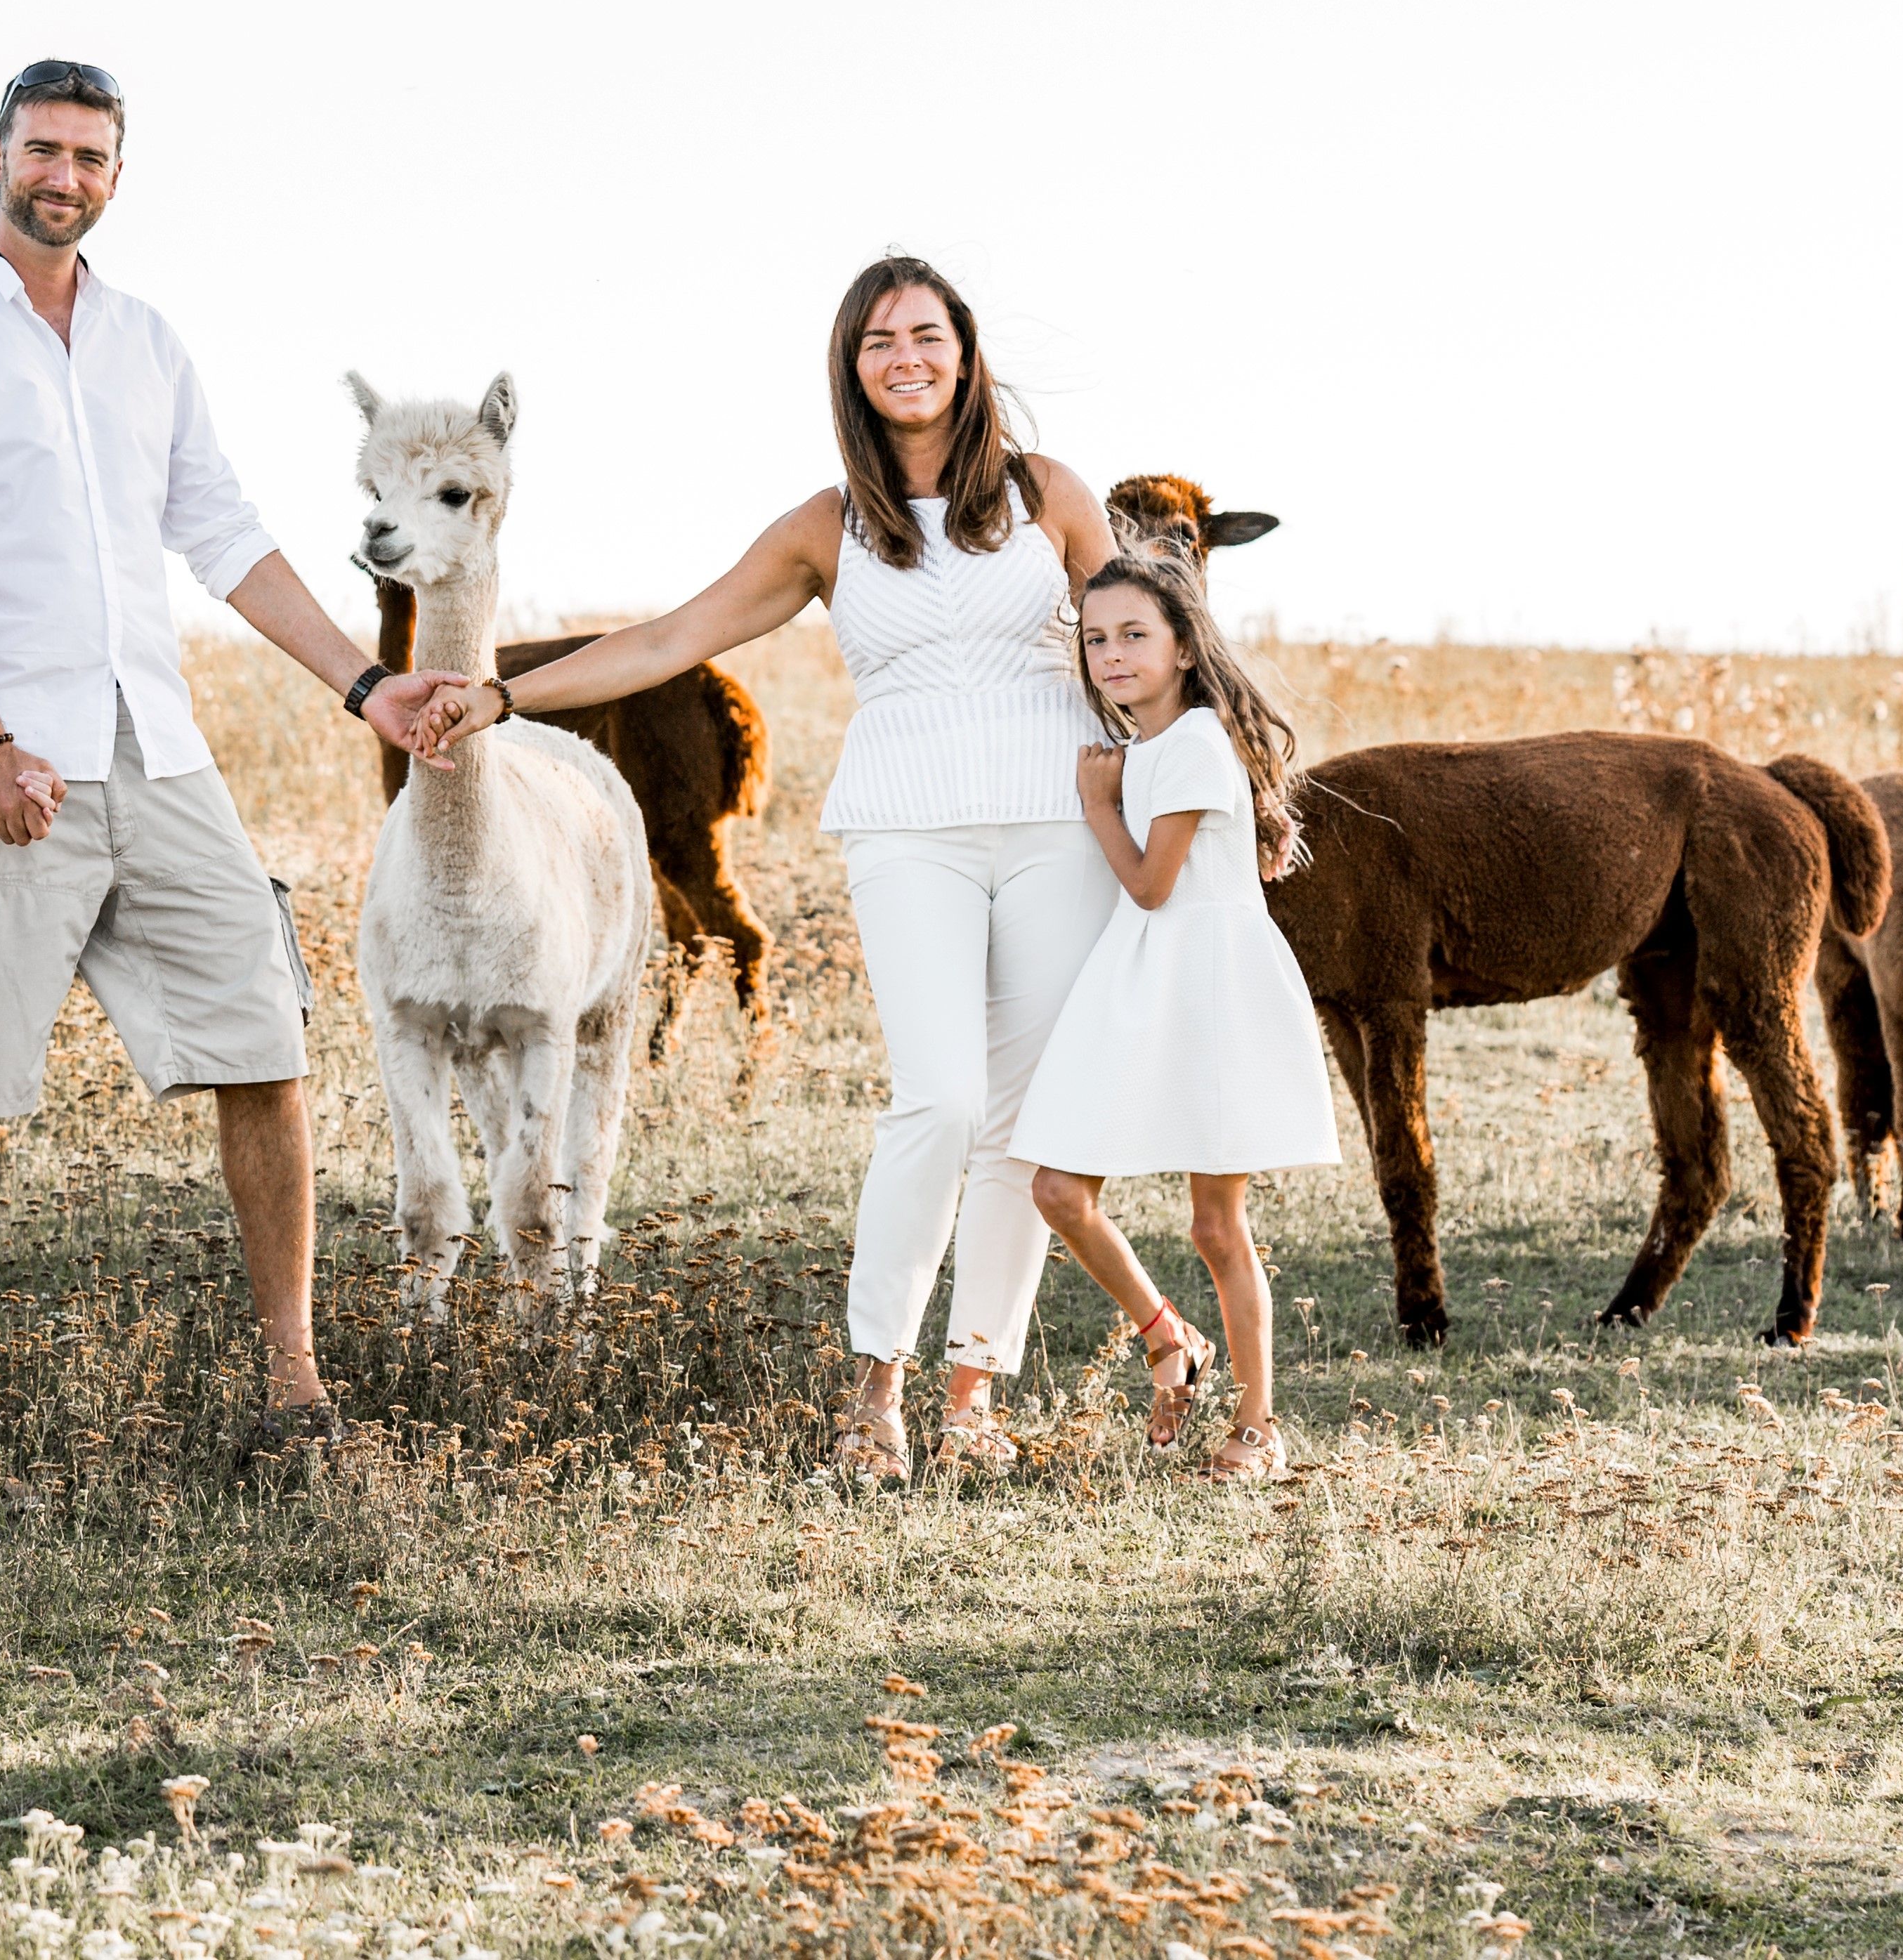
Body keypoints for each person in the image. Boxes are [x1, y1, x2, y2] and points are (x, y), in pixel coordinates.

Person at [423, 254, 1118, 1477]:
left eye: (926, 334)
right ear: (850, 370)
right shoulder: (827, 526)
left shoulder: (1050, 492)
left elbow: (1139, 641)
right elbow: (671, 634)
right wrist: (502, 695)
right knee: (939, 1099)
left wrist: (1226, 788)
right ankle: (873, 1396)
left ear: (964, 352)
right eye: (877, 342)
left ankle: (972, 1401)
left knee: (1017, 1123)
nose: (906, 357)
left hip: (1061, 825)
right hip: (908, 830)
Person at [0, 59, 460, 1439]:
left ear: (116, 177)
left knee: (264, 1041)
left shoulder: (147, 340)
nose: (63, 176)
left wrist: (367, 686)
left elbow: (224, 533)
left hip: (158, 754)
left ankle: (293, 1387)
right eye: (42, 149)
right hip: (11, 766)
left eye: (90, 157)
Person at [1014, 551, 1340, 1480]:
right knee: (1057, 1189)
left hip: (1206, 985)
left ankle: (1257, 1426)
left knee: (1215, 1225)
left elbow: (1155, 884)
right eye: (1095, 638)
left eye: (1133, 635)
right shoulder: (1160, 746)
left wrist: (1095, 804)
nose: (1110, 654)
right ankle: (1170, 1336)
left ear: (1185, 648)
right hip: (1141, 979)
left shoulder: (1192, 743)